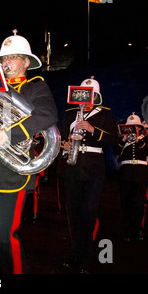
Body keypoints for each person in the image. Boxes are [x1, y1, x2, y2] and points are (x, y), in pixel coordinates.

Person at [0, 30, 58, 274]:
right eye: (4, 58)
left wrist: (8, 135)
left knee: (1, 234)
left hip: (11, 172)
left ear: (26, 62)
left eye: (13, 57)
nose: (7, 62)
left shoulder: (35, 86)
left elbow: (47, 115)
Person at [60, 77, 118, 273]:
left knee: (88, 214)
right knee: (74, 214)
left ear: (95, 95)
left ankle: (85, 258)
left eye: (88, 94)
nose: (83, 98)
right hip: (72, 167)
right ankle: (75, 253)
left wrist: (93, 129)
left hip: (93, 169)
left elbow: (113, 139)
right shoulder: (70, 114)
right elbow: (60, 136)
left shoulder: (105, 114)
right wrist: (64, 145)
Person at [116, 112, 148, 242]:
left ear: (140, 127)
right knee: (126, 202)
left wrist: (140, 139)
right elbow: (116, 151)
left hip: (141, 173)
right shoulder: (122, 141)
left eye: (135, 126)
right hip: (126, 172)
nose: (133, 129)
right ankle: (128, 229)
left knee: (139, 203)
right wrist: (124, 140)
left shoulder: (145, 140)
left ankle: (138, 227)